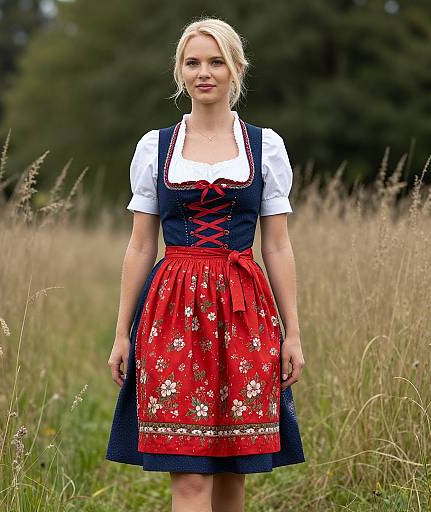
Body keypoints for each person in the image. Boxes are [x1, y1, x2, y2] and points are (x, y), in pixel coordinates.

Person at [106, 17, 306, 512]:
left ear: (236, 68)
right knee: (190, 476)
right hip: (172, 312)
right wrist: (121, 332)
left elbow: (278, 247)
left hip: (245, 313)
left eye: (216, 61)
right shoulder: (154, 148)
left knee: (234, 472)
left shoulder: (266, 147)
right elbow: (138, 246)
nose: (205, 72)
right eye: (193, 62)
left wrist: (293, 334)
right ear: (180, 72)